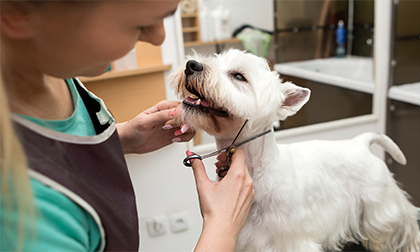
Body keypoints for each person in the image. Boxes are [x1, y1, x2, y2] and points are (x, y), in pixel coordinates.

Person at [0, 0, 255, 251]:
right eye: (140, 25)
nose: (159, 38)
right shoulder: (23, 217)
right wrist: (222, 226)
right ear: (15, 15)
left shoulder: (55, 70)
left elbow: (55, 145)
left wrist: (118, 139)